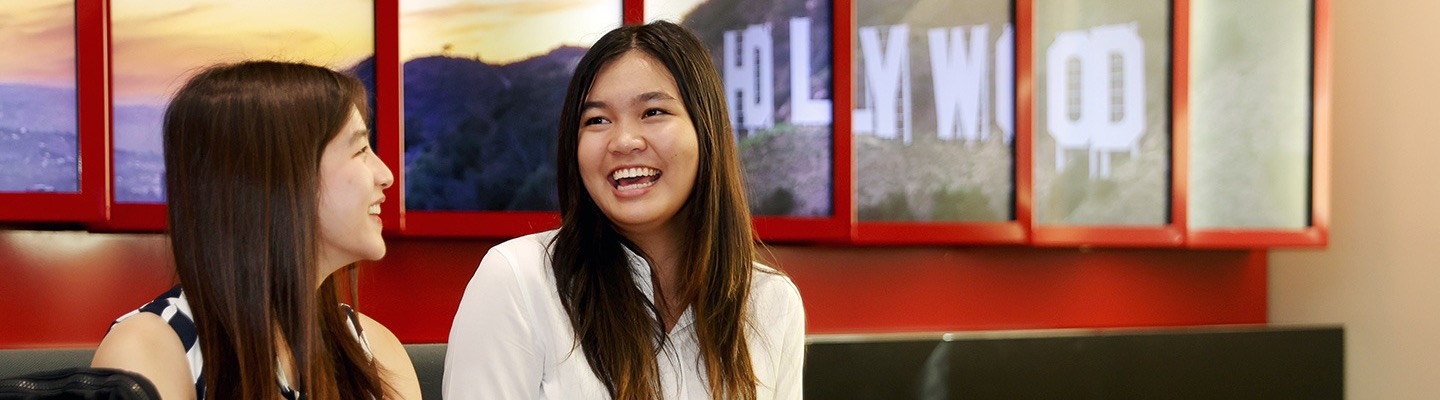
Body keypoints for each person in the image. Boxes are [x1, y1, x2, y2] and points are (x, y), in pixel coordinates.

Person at [443, 20, 806, 400]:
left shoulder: (770, 301)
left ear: (706, 128)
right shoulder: (518, 280)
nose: (624, 141)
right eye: (597, 120)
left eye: (652, 112)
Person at [91, 61, 422, 400]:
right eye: (361, 150)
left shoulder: (374, 351)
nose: (385, 175)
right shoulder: (150, 352)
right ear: (277, 180)